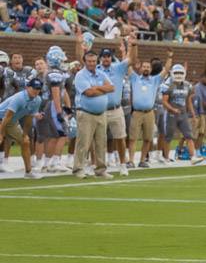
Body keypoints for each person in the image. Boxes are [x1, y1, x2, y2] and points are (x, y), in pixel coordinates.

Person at [71, 51, 114, 179]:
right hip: (86, 113)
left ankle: (101, 170)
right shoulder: (80, 75)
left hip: (101, 113)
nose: (92, 63)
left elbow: (112, 88)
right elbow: (88, 92)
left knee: (101, 143)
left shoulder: (101, 73)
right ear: (85, 61)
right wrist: (102, 89)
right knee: (83, 143)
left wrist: (97, 88)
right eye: (89, 61)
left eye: (94, 61)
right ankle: (78, 169)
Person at [129, 52, 169, 168]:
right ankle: (131, 161)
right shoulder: (134, 78)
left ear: (151, 69)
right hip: (137, 112)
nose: (146, 68)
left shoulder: (155, 80)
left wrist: (170, 56)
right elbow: (128, 65)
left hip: (149, 113)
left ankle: (142, 160)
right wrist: (126, 51)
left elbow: (166, 70)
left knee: (148, 138)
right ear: (140, 68)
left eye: (148, 67)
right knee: (132, 138)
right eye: (144, 66)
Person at [97, 44, 132, 176]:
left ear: (111, 58)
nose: (106, 59)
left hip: (116, 108)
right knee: (98, 139)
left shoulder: (117, 68)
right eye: (104, 57)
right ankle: (98, 165)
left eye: (108, 56)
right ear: (100, 58)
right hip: (100, 109)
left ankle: (122, 165)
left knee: (120, 138)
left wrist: (133, 45)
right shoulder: (95, 70)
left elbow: (131, 60)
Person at [0, 77, 45, 178]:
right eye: (34, 88)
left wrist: (24, 134)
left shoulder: (37, 100)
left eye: (38, 89)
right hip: (2, 119)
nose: (36, 91)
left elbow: (29, 118)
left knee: (25, 142)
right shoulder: (19, 98)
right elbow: (7, 116)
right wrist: (1, 134)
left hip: (11, 122)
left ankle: (28, 172)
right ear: (27, 87)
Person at [161, 63, 202, 164]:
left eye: (180, 73)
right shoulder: (168, 84)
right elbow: (164, 101)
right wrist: (172, 109)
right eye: (176, 73)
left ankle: (193, 157)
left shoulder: (187, 85)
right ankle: (166, 157)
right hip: (171, 114)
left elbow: (188, 100)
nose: (178, 75)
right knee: (168, 136)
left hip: (183, 113)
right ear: (172, 73)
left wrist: (193, 114)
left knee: (188, 135)